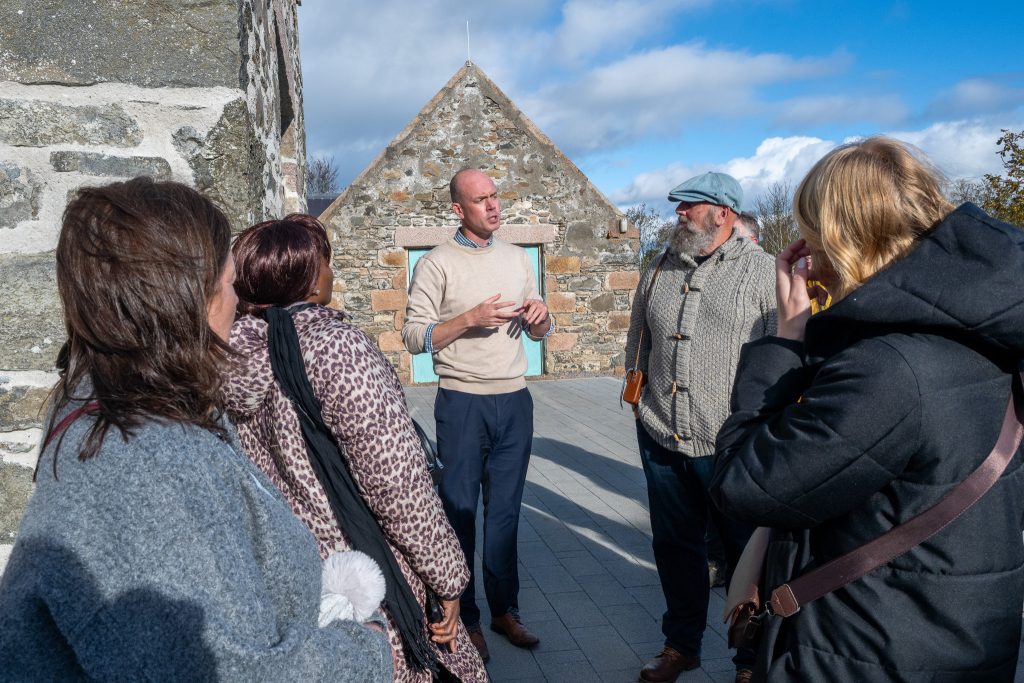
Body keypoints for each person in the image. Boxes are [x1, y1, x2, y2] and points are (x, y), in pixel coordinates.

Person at [0, 178, 391, 681]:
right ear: (186, 298)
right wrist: (365, 651)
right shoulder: (140, 459)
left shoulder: (140, 406)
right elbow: (216, 670)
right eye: (229, 281)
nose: (236, 298)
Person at [710, 137, 1024, 682]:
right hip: (957, 632)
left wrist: (785, 341)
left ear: (842, 236)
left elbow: (745, 483)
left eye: (811, 228)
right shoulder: (984, 334)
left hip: (871, 649)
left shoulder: (888, 368)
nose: (806, 247)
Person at [220, 215, 487, 683]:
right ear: (305, 277)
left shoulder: (227, 360)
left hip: (293, 582)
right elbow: (397, 483)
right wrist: (447, 577)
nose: (331, 272)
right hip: (365, 580)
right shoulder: (335, 348)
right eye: (324, 262)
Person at [624, 171, 775, 683]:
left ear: (723, 213)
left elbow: (782, 355)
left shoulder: (764, 273)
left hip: (732, 445)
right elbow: (637, 338)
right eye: (679, 206)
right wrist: (636, 394)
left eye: (688, 205)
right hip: (661, 435)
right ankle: (680, 646)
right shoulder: (659, 268)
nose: (679, 213)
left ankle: (750, 661)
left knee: (745, 556)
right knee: (674, 546)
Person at [402, 169, 551, 662]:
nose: (493, 206)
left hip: (515, 401)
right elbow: (414, 337)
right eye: (480, 199)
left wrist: (541, 319)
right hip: (462, 403)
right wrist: (469, 319)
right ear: (458, 210)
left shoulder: (515, 259)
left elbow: (537, 332)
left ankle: (504, 611)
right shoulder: (435, 264)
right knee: (460, 515)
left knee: (505, 516)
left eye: (495, 196)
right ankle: (464, 618)